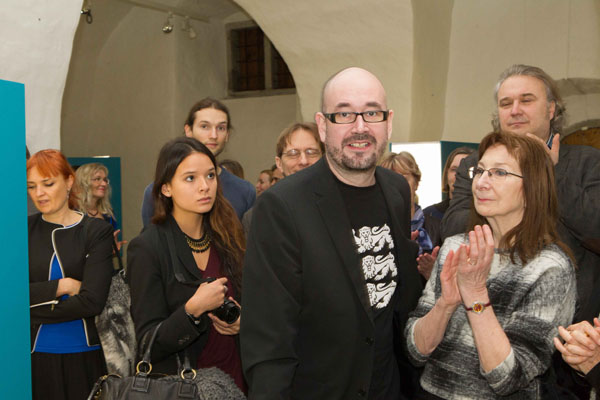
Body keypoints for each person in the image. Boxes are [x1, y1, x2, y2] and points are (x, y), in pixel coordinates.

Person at [241, 67, 422, 399]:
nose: (360, 127)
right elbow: (268, 341)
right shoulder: (282, 206)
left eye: (372, 112)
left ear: (389, 122)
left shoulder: (397, 190)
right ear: (323, 126)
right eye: (344, 114)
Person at [406, 131, 576, 399]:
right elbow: (416, 351)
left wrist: (475, 297)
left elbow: (507, 378)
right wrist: (445, 304)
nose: (482, 183)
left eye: (499, 173)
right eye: (480, 171)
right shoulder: (455, 246)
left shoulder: (550, 267)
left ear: (532, 189)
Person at [441, 65, 600, 323]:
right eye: (506, 103)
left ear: (551, 109)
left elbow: (595, 229)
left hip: (567, 328)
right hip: (487, 314)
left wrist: (549, 173)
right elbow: (452, 228)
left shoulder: (587, 162)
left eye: (526, 100)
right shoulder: (475, 164)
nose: (515, 110)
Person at [128, 137, 246, 393]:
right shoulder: (147, 248)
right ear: (166, 188)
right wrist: (192, 310)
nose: (205, 186)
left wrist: (244, 323)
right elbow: (148, 343)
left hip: (237, 381)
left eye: (210, 176)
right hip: (185, 388)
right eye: (190, 178)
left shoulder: (229, 235)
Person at [27, 149, 114, 400]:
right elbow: (9, 295)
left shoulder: (95, 231)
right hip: (32, 358)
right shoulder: (23, 231)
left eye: (48, 184)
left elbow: (92, 301)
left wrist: (24, 310)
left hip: (83, 355)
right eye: (32, 186)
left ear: (69, 181)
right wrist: (62, 286)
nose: (39, 193)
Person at [141, 98, 255, 227]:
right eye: (204, 126)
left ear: (227, 134)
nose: (213, 135)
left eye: (221, 128)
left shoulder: (244, 191)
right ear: (188, 130)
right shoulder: (157, 193)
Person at [241, 122, 324, 236]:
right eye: (293, 153)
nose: (303, 161)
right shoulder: (258, 216)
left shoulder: (341, 206)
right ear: (279, 163)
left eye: (311, 152)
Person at [75, 162, 126, 250]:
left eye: (105, 180)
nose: (104, 184)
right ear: (84, 182)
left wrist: (113, 249)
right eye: (97, 179)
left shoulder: (108, 214)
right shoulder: (72, 212)